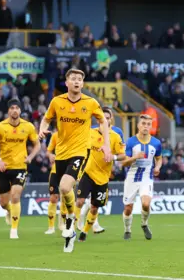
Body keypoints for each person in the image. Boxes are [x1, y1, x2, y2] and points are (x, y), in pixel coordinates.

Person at [38, 68, 112, 253]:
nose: (77, 82)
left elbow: (103, 122)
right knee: (64, 192)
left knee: (64, 187)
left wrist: (107, 145)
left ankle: (70, 223)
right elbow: (46, 119)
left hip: (80, 152)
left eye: (80, 79)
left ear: (83, 83)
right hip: (61, 152)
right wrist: (42, 129)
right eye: (73, 79)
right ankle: (70, 223)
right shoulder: (57, 101)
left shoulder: (91, 102)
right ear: (67, 82)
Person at [0, 99, 41, 239]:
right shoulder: (0, 127)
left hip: (20, 167)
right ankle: (9, 211)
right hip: (4, 168)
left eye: (17, 108)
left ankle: (14, 230)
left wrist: (30, 157)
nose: (14, 110)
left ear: (20, 110)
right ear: (8, 111)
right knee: (4, 203)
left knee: (16, 195)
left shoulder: (28, 126)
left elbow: (37, 144)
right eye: (12, 108)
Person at [75, 107, 127, 242]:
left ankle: (85, 232)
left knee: (94, 207)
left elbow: (123, 155)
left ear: (111, 120)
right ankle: (70, 228)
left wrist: (113, 158)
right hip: (87, 172)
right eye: (102, 118)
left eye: (108, 118)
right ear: (99, 120)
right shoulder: (90, 133)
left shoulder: (115, 136)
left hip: (103, 177)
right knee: (79, 201)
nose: (105, 120)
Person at [121, 114, 162, 241]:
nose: (145, 126)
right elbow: (124, 163)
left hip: (147, 178)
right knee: (128, 208)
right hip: (132, 178)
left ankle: (144, 224)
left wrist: (157, 167)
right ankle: (127, 230)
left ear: (151, 126)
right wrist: (135, 157)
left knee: (146, 203)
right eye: (143, 123)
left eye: (148, 124)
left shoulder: (156, 143)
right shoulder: (131, 142)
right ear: (138, 125)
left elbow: (159, 158)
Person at [44, 132, 67, 235]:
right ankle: (51, 227)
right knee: (54, 197)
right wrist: (50, 155)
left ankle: (62, 223)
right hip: (55, 170)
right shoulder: (55, 135)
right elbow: (48, 151)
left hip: (69, 171)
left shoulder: (76, 134)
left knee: (65, 197)